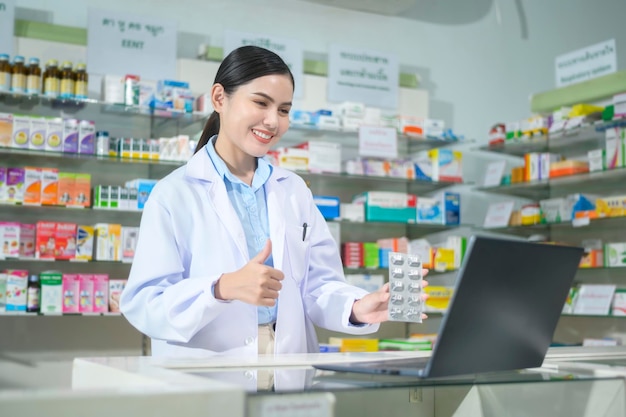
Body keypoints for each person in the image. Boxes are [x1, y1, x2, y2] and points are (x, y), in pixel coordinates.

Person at [120, 45, 428, 358]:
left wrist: (358, 307)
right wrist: (221, 288)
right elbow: (146, 303)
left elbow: (317, 285)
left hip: (287, 362)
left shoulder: (293, 190)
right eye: (260, 103)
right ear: (219, 98)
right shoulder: (173, 194)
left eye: (283, 110)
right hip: (208, 371)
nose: (272, 121)